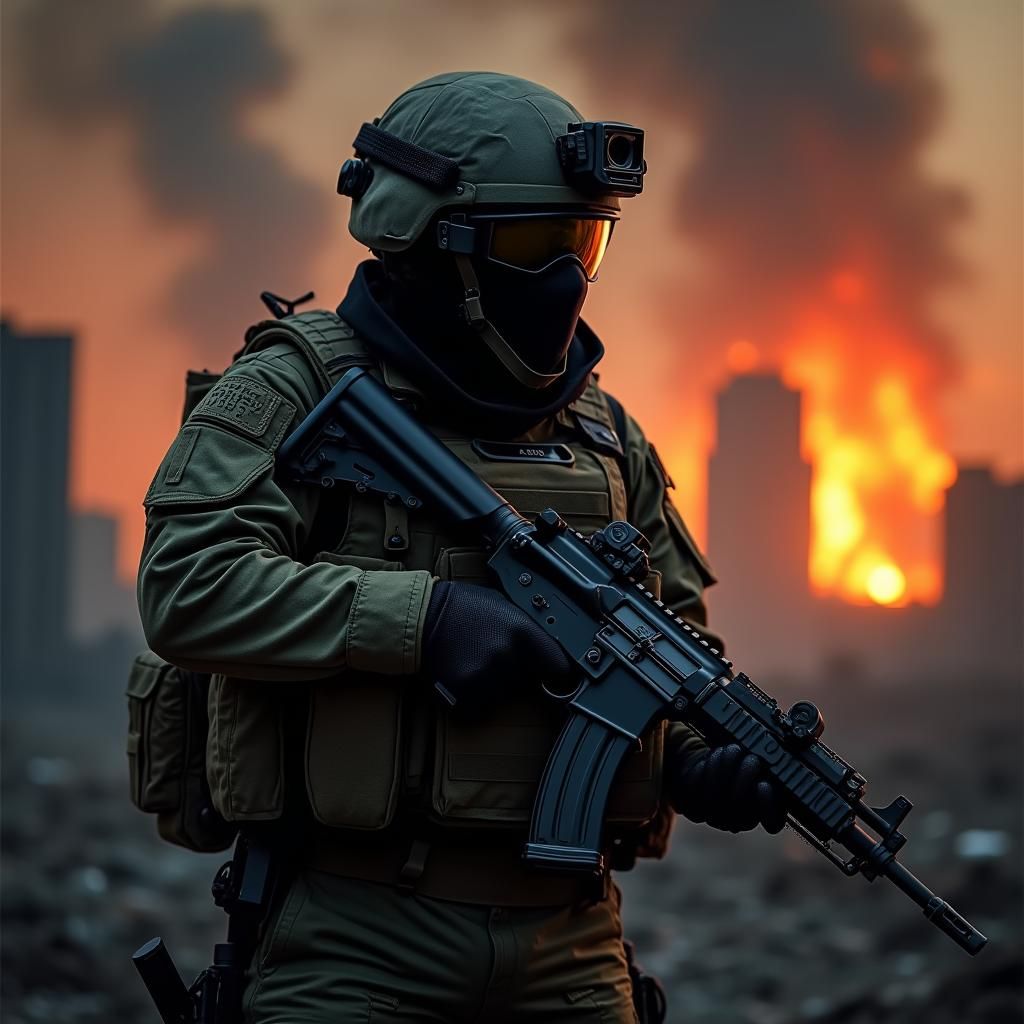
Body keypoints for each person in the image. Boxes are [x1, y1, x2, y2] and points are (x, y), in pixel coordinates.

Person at [138, 71, 787, 1024]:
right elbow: (189, 588)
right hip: (352, 935)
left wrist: (693, 762)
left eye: (585, 241)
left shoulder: (609, 440)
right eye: (533, 243)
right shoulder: (291, 390)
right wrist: (425, 617)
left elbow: (672, 643)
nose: (565, 277)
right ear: (428, 242)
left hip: (571, 940)